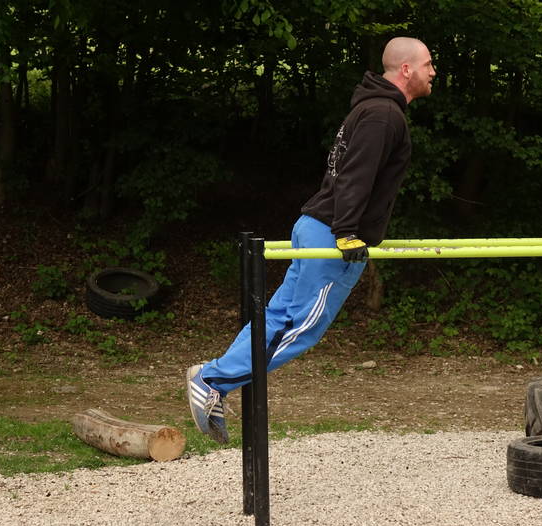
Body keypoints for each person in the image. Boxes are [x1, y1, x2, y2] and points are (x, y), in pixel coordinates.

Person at [187, 37, 436, 443]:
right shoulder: (383, 115)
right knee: (301, 328)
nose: (433, 71)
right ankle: (213, 379)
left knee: (279, 318)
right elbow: (356, 176)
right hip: (332, 235)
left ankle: (213, 379)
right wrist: (347, 233)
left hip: (316, 225)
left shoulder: (373, 109)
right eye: (428, 64)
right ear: (406, 69)